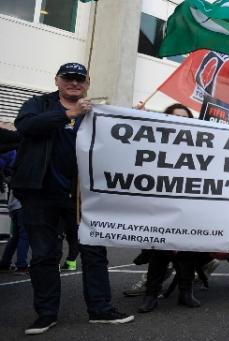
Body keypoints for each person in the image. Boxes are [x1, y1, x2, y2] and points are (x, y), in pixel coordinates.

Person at [11, 62, 134, 335]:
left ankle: (101, 310)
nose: (74, 83)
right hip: (40, 194)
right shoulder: (38, 104)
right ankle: (45, 314)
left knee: (94, 253)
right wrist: (68, 113)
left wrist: (134, 121)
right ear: (57, 80)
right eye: (69, 78)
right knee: (43, 255)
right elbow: (26, 127)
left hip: (82, 197)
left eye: (80, 79)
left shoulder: (96, 113)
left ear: (87, 84)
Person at [137, 103, 207, 312]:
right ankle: (151, 295)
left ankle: (185, 293)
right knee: (159, 253)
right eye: (175, 116)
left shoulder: (198, 145)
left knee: (187, 253)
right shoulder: (155, 141)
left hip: (188, 207)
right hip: (161, 207)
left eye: (184, 118)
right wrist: (136, 117)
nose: (179, 120)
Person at [1, 129, 29, 274]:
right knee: (24, 234)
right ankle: (21, 265)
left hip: (14, 203)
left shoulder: (14, 164)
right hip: (23, 203)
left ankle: (5, 263)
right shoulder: (26, 163)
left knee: (17, 235)